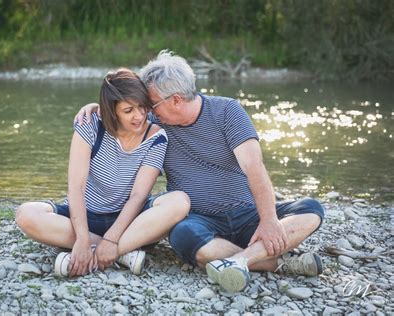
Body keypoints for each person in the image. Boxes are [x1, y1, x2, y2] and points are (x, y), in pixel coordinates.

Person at [76, 51, 325, 293]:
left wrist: (269, 221)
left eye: (151, 104)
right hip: (200, 222)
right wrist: (99, 108)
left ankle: (240, 261)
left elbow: (254, 167)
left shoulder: (228, 111)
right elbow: (122, 104)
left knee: (311, 210)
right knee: (182, 235)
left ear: (175, 100)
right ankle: (279, 262)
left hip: (248, 216)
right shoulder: (156, 126)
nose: (146, 111)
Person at [16, 68, 190, 277]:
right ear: (111, 111)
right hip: (85, 216)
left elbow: (138, 196)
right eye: (128, 111)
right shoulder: (90, 125)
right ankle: (121, 254)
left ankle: (104, 251)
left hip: (129, 220)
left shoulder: (156, 136)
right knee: (26, 214)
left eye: (143, 107)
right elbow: (76, 188)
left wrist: (112, 239)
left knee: (179, 202)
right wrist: (82, 238)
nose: (139, 116)